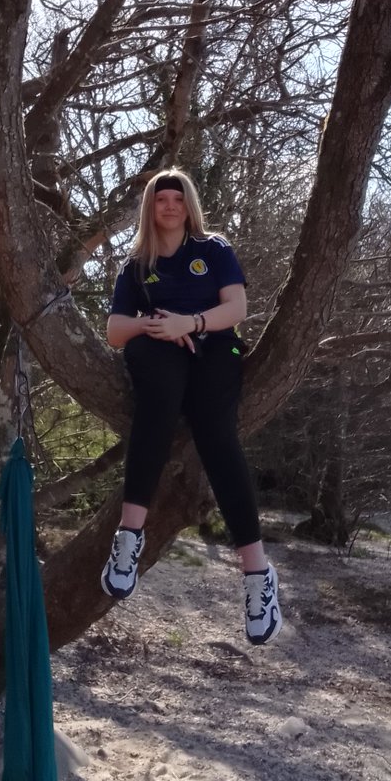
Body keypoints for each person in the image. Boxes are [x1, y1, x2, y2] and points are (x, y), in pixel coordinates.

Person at [100, 169, 282, 645]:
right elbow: (115, 331)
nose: (169, 205)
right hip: (157, 349)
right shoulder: (135, 266)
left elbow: (237, 308)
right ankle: (128, 540)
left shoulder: (212, 248)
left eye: (177, 198)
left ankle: (257, 575)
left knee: (216, 437)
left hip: (215, 349)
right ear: (150, 207)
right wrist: (156, 326)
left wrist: (192, 321)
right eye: (160, 198)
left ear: (188, 205)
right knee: (156, 412)